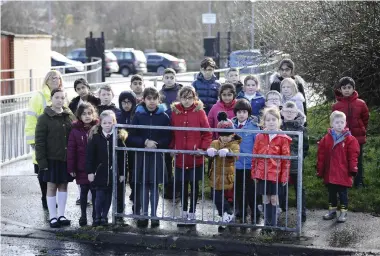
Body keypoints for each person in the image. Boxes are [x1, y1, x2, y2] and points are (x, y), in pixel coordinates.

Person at [128, 87, 172, 228]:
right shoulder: (138, 115)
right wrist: (145, 142)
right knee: (143, 186)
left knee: (154, 186)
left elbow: (168, 137)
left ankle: (154, 215)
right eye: (149, 98)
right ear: (144, 99)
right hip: (142, 155)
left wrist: (157, 144)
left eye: (154, 98)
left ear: (158, 100)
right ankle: (144, 214)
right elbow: (131, 136)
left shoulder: (164, 116)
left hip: (156, 155)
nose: (152, 101)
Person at [170, 86, 212, 225]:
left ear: (194, 98)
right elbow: (171, 133)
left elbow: (207, 133)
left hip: (195, 156)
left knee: (194, 185)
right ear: (179, 98)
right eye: (184, 97)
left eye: (190, 98)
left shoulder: (199, 111)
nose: (187, 101)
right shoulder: (175, 111)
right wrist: (172, 147)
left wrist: (202, 148)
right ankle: (183, 213)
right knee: (182, 185)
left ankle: (192, 212)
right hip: (180, 156)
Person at [35, 88, 76, 228]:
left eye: (62, 98)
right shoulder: (44, 118)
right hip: (51, 158)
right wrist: (42, 162)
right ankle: (52, 217)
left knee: (64, 185)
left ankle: (61, 215)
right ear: (51, 99)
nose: (60, 100)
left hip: (65, 158)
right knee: (51, 186)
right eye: (57, 97)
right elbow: (39, 142)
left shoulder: (69, 115)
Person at [25, 70, 63, 210]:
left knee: (56, 172)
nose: (55, 80)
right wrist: (32, 141)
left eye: (58, 78)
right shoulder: (38, 97)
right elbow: (30, 119)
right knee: (43, 171)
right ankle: (45, 198)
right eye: (52, 77)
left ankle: (52, 199)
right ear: (46, 80)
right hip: (42, 141)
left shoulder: (62, 95)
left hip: (58, 143)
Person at [251, 107, 291, 229]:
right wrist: (254, 172)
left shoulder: (283, 138)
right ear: (264, 122)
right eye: (268, 120)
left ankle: (273, 223)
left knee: (274, 198)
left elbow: (286, 159)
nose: (271, 122)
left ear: (279, 121)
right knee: (265, 197)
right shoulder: (259, 136)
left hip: (276, 174)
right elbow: (255, 155)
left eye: (274, 119)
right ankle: (266, 224)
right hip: (262, 173)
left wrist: (284, 176)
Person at [86, 110, 127, 227]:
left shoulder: (118, 139)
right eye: (105, 123)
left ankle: (104, 216)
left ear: (114, 123)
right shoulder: (95, 138)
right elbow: (89, 157)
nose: (108, 125)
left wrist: (122, 173)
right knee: (99, 196)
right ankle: (97, 216)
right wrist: (90, 171)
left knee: (109, 196)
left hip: (113, 173)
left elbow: (122, 158)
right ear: (101, 123)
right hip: (99, 173)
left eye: (110, 122)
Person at [317, 111, 360, 223]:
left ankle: (343, 212)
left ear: (345, 123)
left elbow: (353, 155)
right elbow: (321, 155)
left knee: (342, 193)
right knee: (331, 193)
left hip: (343, 172)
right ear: (332, 124)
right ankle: (332, 211)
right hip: (330, 172)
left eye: (342, 122)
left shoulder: (350, 139)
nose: (340, 124)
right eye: (337, 122)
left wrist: (353, 168)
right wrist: (320, 169)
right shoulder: (326, 139)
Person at [332, 77, 369, 188]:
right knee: (343, 159)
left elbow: (365, 117)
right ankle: (344, 181)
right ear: (340, 89)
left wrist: (362, 128)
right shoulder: (336, 106)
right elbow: (333, 121)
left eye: (349, 87)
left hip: (358, 138)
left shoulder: (361, 103)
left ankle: (359, 181)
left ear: (353, 89)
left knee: (357, 160)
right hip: (343, 138)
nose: (347, 90)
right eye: (344, 88)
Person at [207, 112, 241, 230]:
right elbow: (212, 149)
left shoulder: (235, 144)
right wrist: (210, 150)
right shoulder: (216, 142)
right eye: (222, 135)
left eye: (228, 135)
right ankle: (225, 214)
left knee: (218, 196)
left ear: (232, 134)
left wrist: (228, 151)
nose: (225, 137)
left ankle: (227, 213)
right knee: (215, 195)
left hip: (226, 175)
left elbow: (236, 155)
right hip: (215, 175)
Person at [68, 78, 99, 206]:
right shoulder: (74, 103)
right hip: (79, 134)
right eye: (78, 89)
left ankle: (92, 197)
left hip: (92, 131)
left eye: (83, 87)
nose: (81, 90)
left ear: (88, 87)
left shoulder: (96, 101)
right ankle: (82, 197)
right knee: (81, 174)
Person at [67, 103, 99, 226]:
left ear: (93, 114)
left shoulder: (97, 128)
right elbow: (71, 150)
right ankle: (83, 216)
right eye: (84, 114)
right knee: (83, 191)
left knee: (95, 191)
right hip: (81, 167)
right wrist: (71, 168)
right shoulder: (75, 131)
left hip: (94, 167)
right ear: (79, 116)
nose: (87, 116)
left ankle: (95, 215)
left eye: (89, 113)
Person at [231, 99, 261, 224]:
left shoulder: (254, 127)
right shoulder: (230, 126)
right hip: (236, 164)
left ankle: (255, 211)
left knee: (250, 189)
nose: (241, 114)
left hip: (249, 164)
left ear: (248, 113)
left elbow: (258, 144)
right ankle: (240, 210)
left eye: (244, 112)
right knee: (238, 189)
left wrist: (257, 160)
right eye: (239, 112)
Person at [279, 101, 309, 222]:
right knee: (281, 186)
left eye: (292, 112)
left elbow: (306, 146)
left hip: (296, 162)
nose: (289, 113)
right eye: (287, 111)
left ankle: (301, 212)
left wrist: (300, 157)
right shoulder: (279, 127)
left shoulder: (301, 128)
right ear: (282, 112)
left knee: (299, 187)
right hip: (281, 163)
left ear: (297, 112)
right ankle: (282, 209)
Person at [159, 68, 183, 198]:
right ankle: (168, 188)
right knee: (167, 160)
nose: (169, 80)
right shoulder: (160, 93)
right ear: (163, 79)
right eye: (166, 77)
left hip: (179, 128)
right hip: (166, 128)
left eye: (171, 77)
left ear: (175, 78)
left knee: (180, 159)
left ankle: (179, 189)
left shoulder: (180, 92)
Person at [117, 90, 138, 215]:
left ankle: (136, 203)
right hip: (120, 151)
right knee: (121, 177)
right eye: (123, 102)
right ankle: (120, 206)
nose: (126, 104)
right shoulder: (118, 115)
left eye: (129, 102)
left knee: (134, 176)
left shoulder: (136, 116)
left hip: (134, 150)